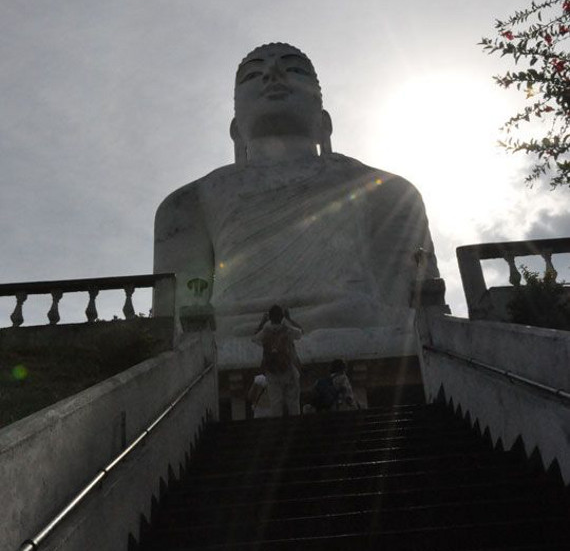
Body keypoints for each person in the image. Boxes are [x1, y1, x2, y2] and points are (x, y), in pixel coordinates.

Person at [153, 43, 444, 350]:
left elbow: (407, 300)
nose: (273, 75)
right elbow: (179, 318)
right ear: (236, 130)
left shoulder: (387, 189)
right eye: (254, 75)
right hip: (233, 336)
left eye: (293, 70)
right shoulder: (189, 202)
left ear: (324, 122)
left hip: (353, 325)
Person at [251, 305, 302, 417]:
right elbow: (300, 332)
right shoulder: (287, 330)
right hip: (288, 369)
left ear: (270, 317)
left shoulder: (266, 332)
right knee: (293, 401)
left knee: (275, 402)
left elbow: (254, 338)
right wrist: (289, 319)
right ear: (282, 316)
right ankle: (296, 424)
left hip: (272, 371)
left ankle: (277, 426)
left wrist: (262, 321)